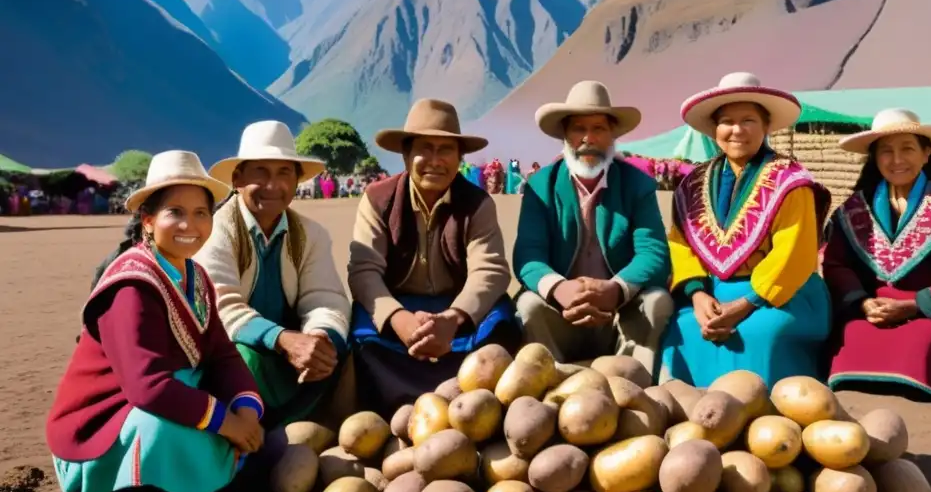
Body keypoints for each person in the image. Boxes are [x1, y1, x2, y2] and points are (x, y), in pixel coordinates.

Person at [46, 151, 265, 492]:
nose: (190, 225)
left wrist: (245, 411)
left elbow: (220, 353)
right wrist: (226, 422)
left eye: (202, 213)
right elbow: (146, 386)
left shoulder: (195, 277)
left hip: (165, 399)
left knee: (235, 410)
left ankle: (193, 481)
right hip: (106, 425)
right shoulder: (130, 284)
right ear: (148, 220)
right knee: (165, 430)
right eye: (175, 212)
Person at [656, 72, 832, 388]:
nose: (737, 130)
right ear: (714, 129)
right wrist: (697, 295)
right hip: (711, 293)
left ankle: (768, 403)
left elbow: (794, 253)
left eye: (748, 120)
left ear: (766, 126)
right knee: (681, 329)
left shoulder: (790, 181)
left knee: (761, 333)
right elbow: (680, 243)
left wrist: (746, 304)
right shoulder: (693, 184)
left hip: (780, 294)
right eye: (727, 121)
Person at [348, 99, 521, 416]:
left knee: (502, 322)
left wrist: (452, 320)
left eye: (446, 150)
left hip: (457, 307)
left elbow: (490, 272)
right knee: (362, 333)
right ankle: (403, 409)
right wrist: (398, 319)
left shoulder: (477, 203)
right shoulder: (377, 200)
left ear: (460, 158)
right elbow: (364, 271)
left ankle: (473, 404)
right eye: (424, 149)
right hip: (399, 305)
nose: (435, 160)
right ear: (405, 154)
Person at [195, 121, 352, 432]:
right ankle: (251, 433)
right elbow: (221, 306)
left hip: (291, 352)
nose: (273, 185)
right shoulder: (217, 231)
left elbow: (326, 297)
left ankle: (308, 429)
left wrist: (319, 337)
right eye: (261, 172)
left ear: (296, 181)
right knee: (244, 361)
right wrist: (281, 339)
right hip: (241, 350)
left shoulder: (310, 234)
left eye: (284, 173)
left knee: (340, 348)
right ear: (237, 179)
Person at [823, 109, 931, 401]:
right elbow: (837, 264)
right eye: (886, 151)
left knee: (922, 345)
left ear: (927, 153)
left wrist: (915, 305)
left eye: (907, 149)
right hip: (872, 311)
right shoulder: (852, 210)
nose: (897, 160)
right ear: (874, 158)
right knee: (850, 341)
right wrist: (861, 302)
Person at [514, 81, 673, 373]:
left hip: (620, 314)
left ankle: (635, 390)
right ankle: (550, 390)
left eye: (599, 128)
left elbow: (654, 253)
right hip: (562, 312)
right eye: (578, 129)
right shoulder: (540, 187)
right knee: (529, 306)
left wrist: (616, 290)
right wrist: (559, 289)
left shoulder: (637, 185)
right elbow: (528, 255)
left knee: (657, 302)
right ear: (565, 135)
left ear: (612, 134)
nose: (589, 138)